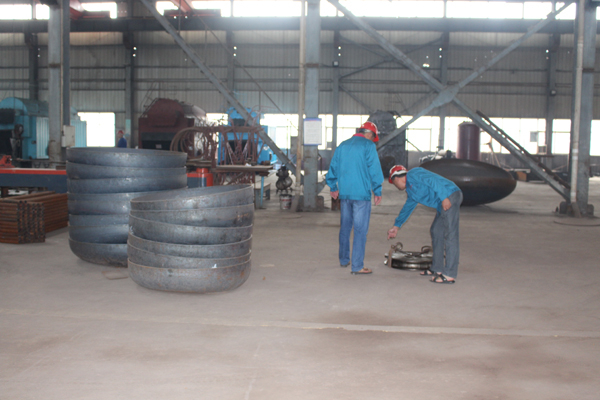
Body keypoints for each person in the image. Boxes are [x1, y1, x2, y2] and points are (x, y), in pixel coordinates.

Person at [387, 165, 463, 284]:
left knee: (450, 234)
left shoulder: (413, 173)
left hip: (450, 195)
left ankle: (449, 274)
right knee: (436, 231)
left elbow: (432, 180)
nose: (396, 186)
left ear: (396, 178)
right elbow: (407, 208)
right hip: (441, 203)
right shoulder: (411, 191)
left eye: (394, 183)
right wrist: (396, 226)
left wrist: (444, 197)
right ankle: (437, 268)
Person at [326, 121, 384, 275]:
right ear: (370, 134)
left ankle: (344, 260)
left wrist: (333, 187)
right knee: (360, 230)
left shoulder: (343, 145)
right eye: (373, 138)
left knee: (345, 227)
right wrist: (377, 190)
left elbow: (333, 167)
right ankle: (357, 266)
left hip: (345, 194)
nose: (372, 141)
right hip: (361, 195)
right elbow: (374, 170)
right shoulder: (368, 146)